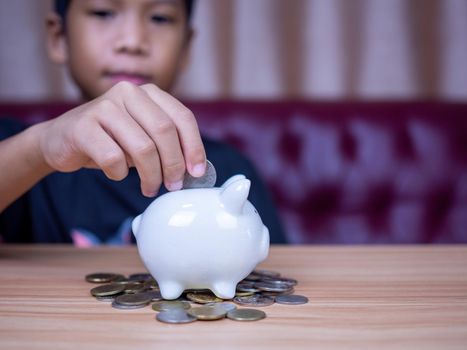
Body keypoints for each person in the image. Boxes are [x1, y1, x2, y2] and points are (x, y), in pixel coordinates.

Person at [0, 0, 286, 245]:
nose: (133, 42)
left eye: (160, 17)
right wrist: (40, 148)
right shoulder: (21, 155)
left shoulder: (231, 168)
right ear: (59, 37)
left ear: (186, 47)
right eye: (103, 12)